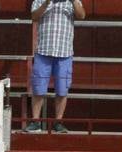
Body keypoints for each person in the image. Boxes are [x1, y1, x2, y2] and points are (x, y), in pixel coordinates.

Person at [26, 0, 86, 134]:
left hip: (65, 52)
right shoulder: (40, 0)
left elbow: (82, 15)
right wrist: (47, 3)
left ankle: (58, 122)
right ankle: (35, 122)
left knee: (62, 88)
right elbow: (34, 17)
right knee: (38, 87)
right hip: (43, 51)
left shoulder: (72, 2)